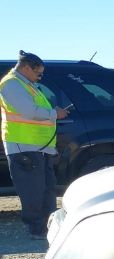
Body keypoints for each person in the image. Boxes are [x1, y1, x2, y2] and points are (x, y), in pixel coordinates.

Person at [0, 51, 69, 239]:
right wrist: (54, 114)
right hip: (23, 147)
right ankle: (37, 229)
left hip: (39, 147)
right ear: (26, 67)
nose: (40, 76)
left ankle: (49, 227)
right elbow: (28, 111)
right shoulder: (11, 84)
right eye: (38, 73)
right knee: (33, 190)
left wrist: (52, 111)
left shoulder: (26, 85)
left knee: (46, 188)